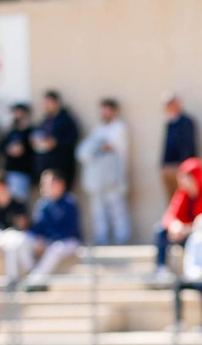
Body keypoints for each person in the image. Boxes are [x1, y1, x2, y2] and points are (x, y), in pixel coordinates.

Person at [9, 170, 82, 287]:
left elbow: (70, 229)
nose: (44, 187)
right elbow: (37, 227)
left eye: (48, 183)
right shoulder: (43, 204)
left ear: (59, 184)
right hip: (48, 241)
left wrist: (48, 241)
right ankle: (31, 272)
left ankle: (34, 281)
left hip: (68, 241)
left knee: (55, 248)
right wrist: (39, 240)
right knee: (24, 239)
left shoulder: (70, 202)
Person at [155, 158, 202, 275]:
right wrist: (175, 225)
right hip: (182, 234)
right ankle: (161, 269)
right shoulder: (182, 194)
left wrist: (188, 229)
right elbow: (170, 215)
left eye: (185, 176)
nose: (181, 180)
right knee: (160, 231)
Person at [76, 97, 132, 246]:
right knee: (98, 210)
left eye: (107, 110)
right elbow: (85, 151)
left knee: (116, 208)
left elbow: (108, 147)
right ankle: (102, 238)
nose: (104, 114)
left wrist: (96, 148)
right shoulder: (98, 129)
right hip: (97, 178)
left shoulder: (119, 127)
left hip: (113, 176)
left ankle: (122, 238)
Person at [33, 90, 81, 191]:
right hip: (46, 167)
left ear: (56, 102)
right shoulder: (45, 120)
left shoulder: (66, 119)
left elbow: (73, 137)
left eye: (49, 102)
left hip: (62, 166)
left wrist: (56, 142)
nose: (46, 105)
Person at [161, 93, 198, 200]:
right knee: (172, 200)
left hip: (181, 167)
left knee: (184, 198)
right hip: (169, 167)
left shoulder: (186, 122)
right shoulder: (170, 122)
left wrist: (184, 167)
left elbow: (187, 145)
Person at [0, 102, 36, 199]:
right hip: (10, 171)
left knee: (19, 200)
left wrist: (23, 149)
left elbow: (35, 148)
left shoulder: (31, 131)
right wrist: (9, 149)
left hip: (24, 171)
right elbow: (0, 148)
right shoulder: (10, 131)